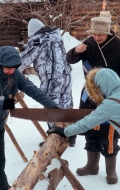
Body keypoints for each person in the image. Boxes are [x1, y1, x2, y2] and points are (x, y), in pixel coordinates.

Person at [0, 46, 57, 190]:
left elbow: (32, 89)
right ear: (0, 64)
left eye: (14, 68)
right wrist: (2, 104)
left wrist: (52, 106)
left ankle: (0, 184)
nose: (11, 71)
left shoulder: (15, 75)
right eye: (8, 68)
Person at [66, 16, 120, 184]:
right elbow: (70, 59)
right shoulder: (89, 43)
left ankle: (111, 171)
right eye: (95, 34)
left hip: (112, 96)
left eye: (100, 35)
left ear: (108, 32)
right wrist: (76, 50)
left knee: (109, 133)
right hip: (90, 95)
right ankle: (92, 165)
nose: (97, 37)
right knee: (90, 129)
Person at [19, 18, 76, 147]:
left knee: (51, 107)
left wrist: (9, 67)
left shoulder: (37, 40)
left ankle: (53, 139)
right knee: (66, 104)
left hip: (51, 80)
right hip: (66, 75)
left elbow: (24, 59)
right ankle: (70, 135)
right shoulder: (56, 37)